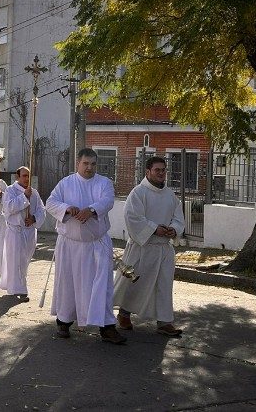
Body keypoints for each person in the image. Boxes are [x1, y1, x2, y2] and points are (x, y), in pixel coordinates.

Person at [45, 148, 126, 345]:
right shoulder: (66, 183)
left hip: (96, 244)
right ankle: (64, 321)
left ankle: (106, 327)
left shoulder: (104, 183)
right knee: (67, 283)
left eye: (93, 164)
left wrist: (91, 210)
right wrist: (67, 208)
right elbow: (50, 202)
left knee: (102, 286)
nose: (89, 168)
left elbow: (106, 201)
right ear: (78, 164)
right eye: (85, 164)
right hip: (69, 245)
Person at [113, 156, 185, 337]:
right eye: (157, 170)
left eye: (163, 170)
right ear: (148, 172)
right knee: (133, 284)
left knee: (163, 286)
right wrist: (154, 229)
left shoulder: (170, 195)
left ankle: (164, 322)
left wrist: (173, 230)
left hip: (163, 250)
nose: (161, 173)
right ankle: (123, 314)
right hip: (142, 247)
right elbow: (133, 218)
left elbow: (178, 219)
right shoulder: (138, 193)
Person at [0, 167, 45, 302]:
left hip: (29, 231)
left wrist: (34, 219)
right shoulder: (10, 191)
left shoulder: (34, 193)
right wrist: (24, 196)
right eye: (24, 176)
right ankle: (18, 290)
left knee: (24, 261)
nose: (27, 179)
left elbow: (41, 209)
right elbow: (8, 208)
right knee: (15, 261)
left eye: (28, 176)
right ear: (17, 177)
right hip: (15, 231)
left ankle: (15, 285)